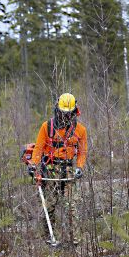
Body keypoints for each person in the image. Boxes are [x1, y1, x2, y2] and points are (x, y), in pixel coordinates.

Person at [27, 93, 88, 244]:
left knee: (72, 206)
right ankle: (49, 238)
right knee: (49, 206)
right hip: (51, 169)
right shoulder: (47, 127)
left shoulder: (80, 130)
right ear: (57, 110)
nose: (65, 116)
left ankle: (75, 241)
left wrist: (79, 167)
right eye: (62, 113)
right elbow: (39, 148)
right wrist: (34, 166)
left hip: (68, 170)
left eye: (68, 114)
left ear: (74, 112)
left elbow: (82, 152)